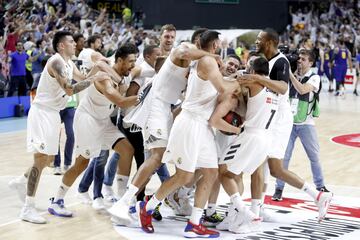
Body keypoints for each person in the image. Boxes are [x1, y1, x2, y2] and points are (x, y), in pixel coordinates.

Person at [8, 31, 113, 224]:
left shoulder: (69, 63)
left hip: (53, 113)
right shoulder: (56, 62)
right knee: (40, 159)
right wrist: (95, 78)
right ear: (61, 46)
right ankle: (27, 208)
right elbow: (71, 89)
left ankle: (21, 182)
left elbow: (82, 77)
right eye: (72, 42)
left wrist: (96, 69)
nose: (76, 44)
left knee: (48, 159)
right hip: (42, 112)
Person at [135, 30, 227, 238]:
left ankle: (194, 223)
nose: (219, 48)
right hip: (191, 123)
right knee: (184, 176)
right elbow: (223, 89)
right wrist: (240, 83)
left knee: (211, 172)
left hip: (202, 125)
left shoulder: (204, 60)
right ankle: (149, 206)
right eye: (218, 45)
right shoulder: (207, 61)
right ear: (213, 45)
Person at [240, 28, 333, 223]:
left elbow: (282, 88)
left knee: (268, 166)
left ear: (270, 41)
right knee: (267, 167)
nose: (257, 42)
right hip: (272, 118)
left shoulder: (280, 61)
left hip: (279, 120)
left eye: (260, 39)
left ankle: (258, 210)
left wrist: (257, 78)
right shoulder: (270, 61)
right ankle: (261, 208)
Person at [48, 43, 139, 218]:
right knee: (82, 162)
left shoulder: (124, 72)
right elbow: (120, 101)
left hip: (104, 121)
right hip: (87, 120)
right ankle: (57, 200)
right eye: (130, 62)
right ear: (119, 60)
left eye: (134, 61)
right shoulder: (104, 78)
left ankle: (121, 200)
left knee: (127, 150)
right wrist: (142, 98)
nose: (133, 65)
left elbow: (141, 69)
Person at [274, 49, 328, 199]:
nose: (299, 61)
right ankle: (279, 188)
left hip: (306, 124)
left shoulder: (314, 77)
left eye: (303, 59)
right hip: (289, 124)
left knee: (314, 156)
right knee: (284, 157)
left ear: (310, 63)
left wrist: (289, 74)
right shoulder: (290, 74)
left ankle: (320, 186)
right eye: (298, 59)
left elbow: (303, 89)